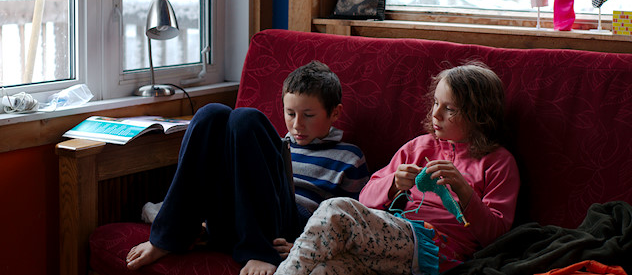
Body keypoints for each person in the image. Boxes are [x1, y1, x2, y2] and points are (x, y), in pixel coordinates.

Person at [126, 60, 369, 275]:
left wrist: (305, 245)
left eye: (308, 115)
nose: (297, 125)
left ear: (335, 113)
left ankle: (259, 251)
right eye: (290, 113)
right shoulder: (278, 145)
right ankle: (170, 237)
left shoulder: (349, 156)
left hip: (283, 229)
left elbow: (355, 223)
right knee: (212, 113)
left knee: (245, 119)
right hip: (234, 221)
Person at [274, 62, 520, 274]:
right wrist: (393, 184)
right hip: (393, 242)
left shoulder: (498, 162)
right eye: (435, 103)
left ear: (479, 115)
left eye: (449, 109)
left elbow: (496, 235)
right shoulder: (418, 147)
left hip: (439, 251)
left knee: (335, 208)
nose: (436, 113)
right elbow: (366, 198)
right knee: (322, 270)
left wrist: (464, 191)